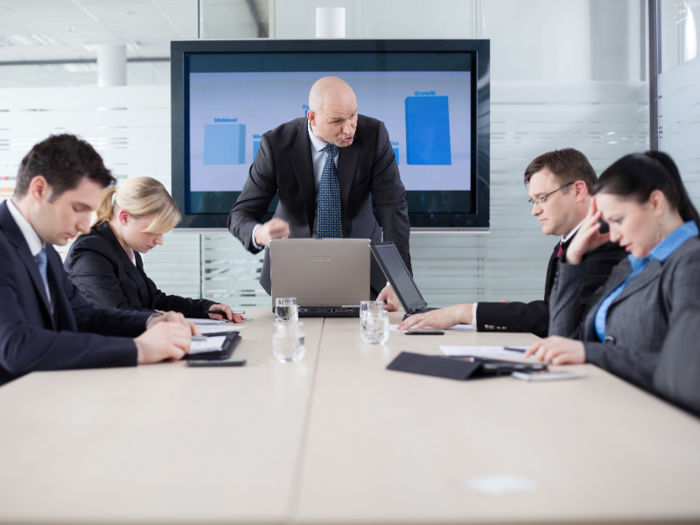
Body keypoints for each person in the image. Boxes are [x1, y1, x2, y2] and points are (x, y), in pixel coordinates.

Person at [0, 134, 196, 386]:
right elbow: (17, 347)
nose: (85, 224)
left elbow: (86, 318)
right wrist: (139, 349)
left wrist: (151, 320)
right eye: (78, 208)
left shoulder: (43, 249)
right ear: (39, 189)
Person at [399, 149, 626, 337]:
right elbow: (560, 312)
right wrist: (506, 312)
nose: (534, 211)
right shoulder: (569, 242)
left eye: (542, 198)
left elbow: (566, 319)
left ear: (578, 190)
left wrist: (466, 312)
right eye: (533, 200)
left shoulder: (607, 240)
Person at [526, 151, 700, 392]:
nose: (614, 235)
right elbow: (564, 340)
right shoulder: (631, 265)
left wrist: (591, 353)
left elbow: (686, 370)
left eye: (618, 219)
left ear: (656, 203)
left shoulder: (691, 261)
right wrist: (573, 258)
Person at [227, 76, 411, 299]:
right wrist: (260, 233)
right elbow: (240, 214)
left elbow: (392, 207)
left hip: (362, 267)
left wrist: (398, 280)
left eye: (353, 115)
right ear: (312, 118)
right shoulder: (276, 145)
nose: (349, 129)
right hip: (293, 272)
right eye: (337, 121)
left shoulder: (374, 135)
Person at [64, 177, 243, 322]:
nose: (160, 241)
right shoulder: (89, 253)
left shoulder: (129, 250)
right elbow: (116, 313)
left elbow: (156, 301)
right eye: (154, 231)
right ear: (125, 217)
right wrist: (157, 316)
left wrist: (205, 308)